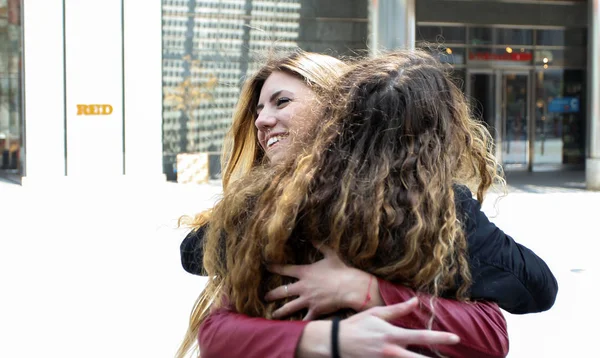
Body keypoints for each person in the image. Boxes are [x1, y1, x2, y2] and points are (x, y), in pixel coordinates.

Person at [178, 50, 555, 357]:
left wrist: (365, 289)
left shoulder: (435, 209)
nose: (261, 121)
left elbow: (505, 317)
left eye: (282, 102)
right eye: (258, 110)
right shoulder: (262, 208)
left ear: (336, 109)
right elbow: (199, 265)